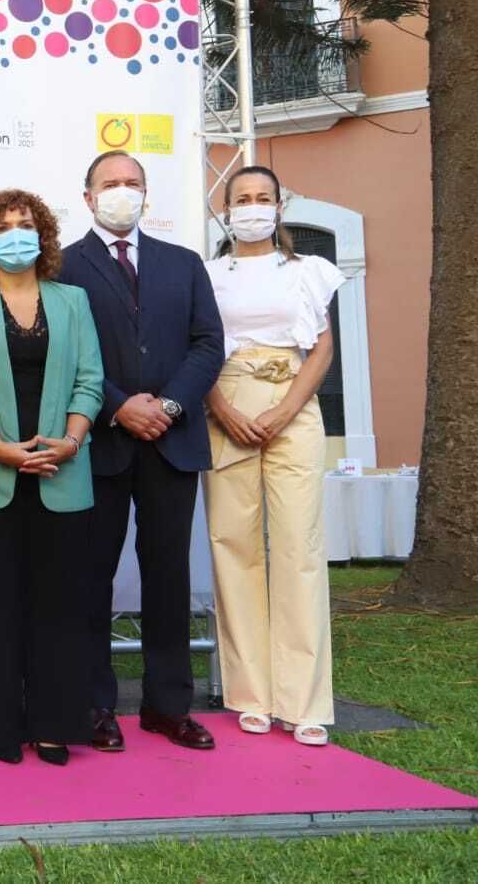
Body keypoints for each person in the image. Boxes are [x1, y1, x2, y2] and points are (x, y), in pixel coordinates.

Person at [61, 151, 224, 753]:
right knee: (88, 580)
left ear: (147, 195)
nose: (121, 193)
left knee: (168, 580)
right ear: (88, 197)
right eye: (110, 184)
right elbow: (64, 353)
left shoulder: (183, 264)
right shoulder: (62, 266)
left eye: (132, 184)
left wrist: (170, 407)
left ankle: (168, 706)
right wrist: (119, 405)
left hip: (171, 445)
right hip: (98, 444)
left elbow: (208, 344)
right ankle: (95, 705)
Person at [0, 188, 103, 766]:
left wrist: (69, 440)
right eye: (3, 225)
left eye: (25, 223)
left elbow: (91, 377)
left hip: (63, 471)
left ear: (42, 235)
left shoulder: (74, 301)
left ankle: (55, 723)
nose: (16, 234)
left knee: (61, 605)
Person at [203, 165, 343, 748]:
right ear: (226, 210)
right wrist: (223, 410)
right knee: (233, 547)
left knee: (299, 548)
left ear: (279, 207)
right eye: (242, 199)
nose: (253, 207)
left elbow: (322, 347)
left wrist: (286, 410)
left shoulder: (309, 271)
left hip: (295, 407)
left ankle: (304, 700)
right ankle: (250, 693)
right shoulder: (206, 275)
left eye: (263, 198)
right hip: (226, 407)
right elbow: (198, 347)